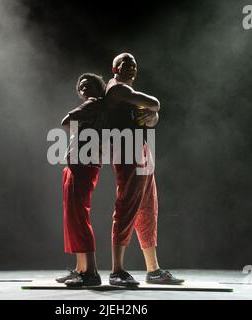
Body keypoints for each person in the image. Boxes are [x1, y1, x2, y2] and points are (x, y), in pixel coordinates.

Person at [105, 53, 184, 286]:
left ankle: (153, 270)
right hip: (126, 149)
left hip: (140, 149)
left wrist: (151, 114)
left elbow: (152, 118)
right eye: (125, 63)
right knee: (127, 206)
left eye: (133, 64)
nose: (130, 67)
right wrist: (151, 111)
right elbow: (155, 104)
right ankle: (116, 271)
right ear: (114, 69)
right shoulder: (117, 89)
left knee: (148, 207)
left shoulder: (128, 95)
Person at [56, 73, 107, 287]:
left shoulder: (93, 104)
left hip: (83, 166)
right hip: (77, 165)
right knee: (73, 218)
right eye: (81, 86)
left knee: (79, 216)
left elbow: (66, 120)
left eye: (89, 85)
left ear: (98, 89)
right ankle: (80, 269)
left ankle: (92, 272)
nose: (84, 88)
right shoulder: (94, 107)